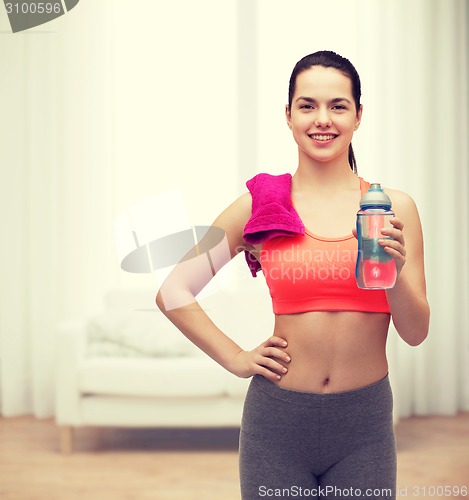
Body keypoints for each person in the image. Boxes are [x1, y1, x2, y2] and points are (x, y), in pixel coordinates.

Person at [156, 50, 430, 499]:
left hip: (364, 426)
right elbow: (173, 291)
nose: (322, 119)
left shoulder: (392, 209)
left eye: (338, 105)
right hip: (277, 424)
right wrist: (236, 358)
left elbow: (416, 332)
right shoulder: (260, 205)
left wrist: (395, 275)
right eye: (307, 105)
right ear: (288, 115)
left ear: (358, 115)